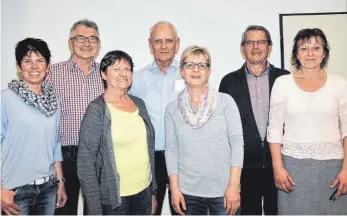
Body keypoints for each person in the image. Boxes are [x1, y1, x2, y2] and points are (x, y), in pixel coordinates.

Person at [267, 28, 347, 214]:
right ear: (296, 53)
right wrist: (278, 168)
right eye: (304, 48)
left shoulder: (341, 84)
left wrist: (346, 169)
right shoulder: (282, 83)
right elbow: (274, 130)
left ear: (324, 53)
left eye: (316, 48)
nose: (310, 53)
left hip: (334, 169)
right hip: (292, 170)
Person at [219, 25, 290, 215]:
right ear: (242, 49)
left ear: (270, 47)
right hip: (244, 168)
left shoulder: (285, 79)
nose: (256, 47)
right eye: (250, 42)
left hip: (280, 165)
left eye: (261, 42)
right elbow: (224, 128)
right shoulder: (228, 82)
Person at [165, 45, 244, 215]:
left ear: (208, 71)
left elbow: (237, 143)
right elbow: (172, 149)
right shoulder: (172, 109)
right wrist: (175, 189)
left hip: (223, 190)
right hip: (187, 192)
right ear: (182, 70)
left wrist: (234, 185)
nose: (196, 70)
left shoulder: (225, 102)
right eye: (190, 65)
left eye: (202, 65)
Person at [77, 50, 157, 215]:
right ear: (104, 75)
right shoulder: (97, 110)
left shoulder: (139, 104)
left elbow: (147, 151)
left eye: (127, 69)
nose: (123, 74)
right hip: (114, 198)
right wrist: (94, 208)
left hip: (143, 191)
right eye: (116, 69)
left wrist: (152, 191)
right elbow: (85, 164)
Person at [1, 38, 67, 215]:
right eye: (27, 61)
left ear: (48, 66)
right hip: (15, 191)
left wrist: (60, 182)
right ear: (18, 66)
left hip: (48, 188)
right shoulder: (5, 99)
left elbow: (55, 145)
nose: (34, 67)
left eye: (40, 61)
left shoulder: (53, 101)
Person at [45, 19, 104, 215]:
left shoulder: (107, 75)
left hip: (98, 159)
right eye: (80, 38)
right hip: (65, 158)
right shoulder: (52, 73)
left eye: (92, 38)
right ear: (70, 43)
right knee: (63, 211)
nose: (86, 43)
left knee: (97, 211)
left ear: (99, 44)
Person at [129, 20, 183, 215]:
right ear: (150, 44)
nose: (163, 46)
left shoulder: (188, 75)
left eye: (168, 41)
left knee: (184, 210)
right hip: (149, 158)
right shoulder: (136, 79)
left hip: (182, 157)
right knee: (149, 211)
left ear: (177, 43)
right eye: (158, 41)